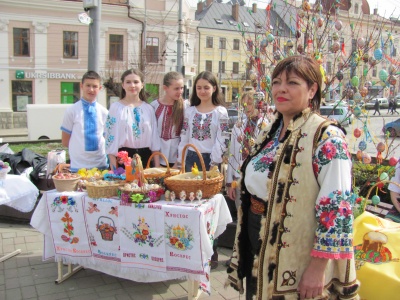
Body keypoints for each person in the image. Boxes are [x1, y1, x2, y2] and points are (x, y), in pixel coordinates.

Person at [226, 55, 359, 300]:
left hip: (297, 253)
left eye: (293, 83)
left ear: (312, 90)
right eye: (276, 82)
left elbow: (337, 209)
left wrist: (317, 269)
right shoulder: (272, 130)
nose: (281, 89)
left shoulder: (327, 138)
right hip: (258, 237)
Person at [177, 71, 230, 269]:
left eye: (206, 87)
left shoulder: (220, 112)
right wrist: (179, 159)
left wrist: (214, 162)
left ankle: (211, 252)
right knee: (189, 204)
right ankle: (190, 251)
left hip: (210, 162)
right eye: (199, 87)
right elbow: (184, 134)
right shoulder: (189, 111)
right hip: (190, 160)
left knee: (209, 208)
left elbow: (222, 138)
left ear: (214, 88)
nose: (202, 91)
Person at [105, 69, 160, 170]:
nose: (132, 85)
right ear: (123, 85)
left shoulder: (148, 109)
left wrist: (157, 167)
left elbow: (154, 139)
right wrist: (114, 169)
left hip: (146, 160)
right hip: (123, 160)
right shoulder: (115, 108)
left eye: (136, 82)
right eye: (128, 82)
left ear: (142, 85)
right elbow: (110, 139)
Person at [226, 91, 267, 210]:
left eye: (250, 103)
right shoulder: (238, 126)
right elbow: (232, 155)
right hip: (239, 177)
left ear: (258, 104)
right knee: (241, 215)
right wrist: (230, 183)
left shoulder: (265, 125)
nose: (246, 107)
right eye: (243, 104)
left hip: (258, 179)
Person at [61, 71, 108, 172]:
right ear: (81, 86)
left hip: (100, 165)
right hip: (78, 167)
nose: (91, 90)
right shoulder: (72, 110)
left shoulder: (104, 112)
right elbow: (65, 141)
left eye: (95, 86)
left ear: (100, 88)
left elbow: (106, 138)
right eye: (88, 85)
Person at [151, 72, 185, 167]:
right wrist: (156, 163)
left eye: (181, 88)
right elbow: (152, 134)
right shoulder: (154, 106)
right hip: (157, 155)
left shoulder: (185, 107)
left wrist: (178, 163)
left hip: (177, 157)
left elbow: (186, 136)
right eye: (176, 88)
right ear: (165, 88)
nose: (180, 91)